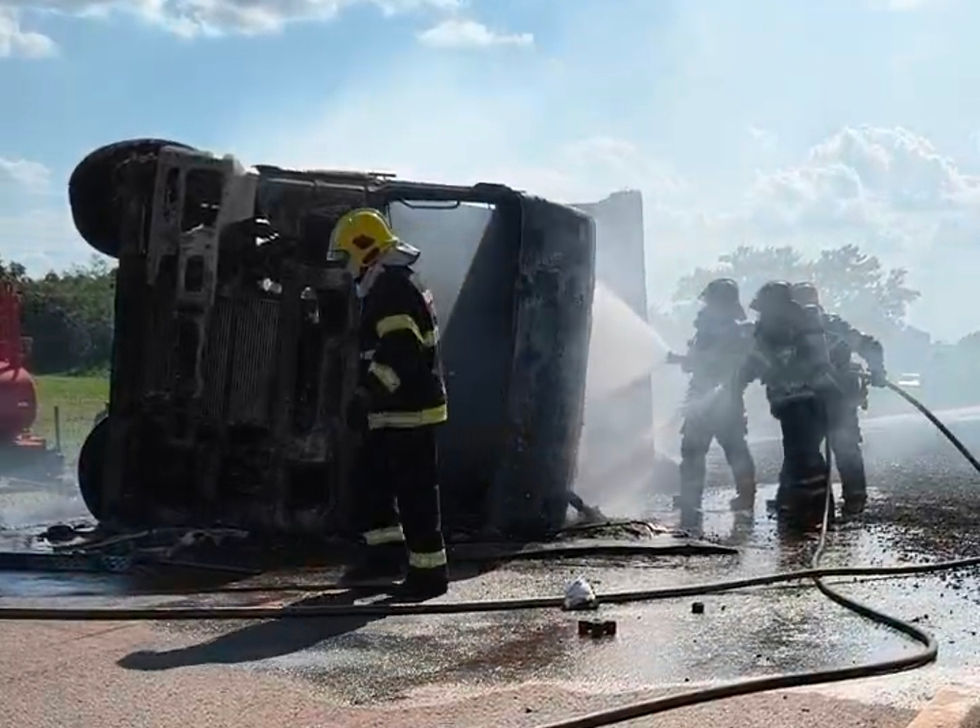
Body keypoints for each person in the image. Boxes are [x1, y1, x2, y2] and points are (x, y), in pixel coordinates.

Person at [331, 207, 449, 598]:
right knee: (371, 484)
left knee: (415, 494)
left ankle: (428, 574)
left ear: (365, 250)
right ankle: (385, 557)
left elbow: (400, 352)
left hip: (410, 411)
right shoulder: (386, 284)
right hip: (392, 411)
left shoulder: (392, 289)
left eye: (346, 257)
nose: (346, 268)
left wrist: (367, 394)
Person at [735, 281, 837, 527]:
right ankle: (800, 505)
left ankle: (810, 510)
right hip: (808, 403)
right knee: (801, 455)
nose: (761, 314)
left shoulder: (778, 331)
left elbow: (754, 363)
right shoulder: (800, 324)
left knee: (803, 456)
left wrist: (736, 384)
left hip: (799, 404)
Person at [790, 282, 886, 515]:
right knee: (840, 447)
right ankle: (847, 500)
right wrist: (877, 370)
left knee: (823, 448)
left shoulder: (801, 329)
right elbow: (870, 345)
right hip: (827, 398)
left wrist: (877, 370)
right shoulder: (828, 326)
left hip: (822, 399)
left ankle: (831, 503)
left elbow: (869, 345)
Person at [669, 278, 757, 519]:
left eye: (712, 300)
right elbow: (698, 363)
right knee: (694, 450)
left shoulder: (734, 332)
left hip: (723, 399)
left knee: (733, 449)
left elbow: (726, 363)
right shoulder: (707, 329)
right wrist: (687, 361)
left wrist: (689, 361)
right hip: (702, 396)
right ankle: (691, 497)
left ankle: (745, 496)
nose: (707, 304)